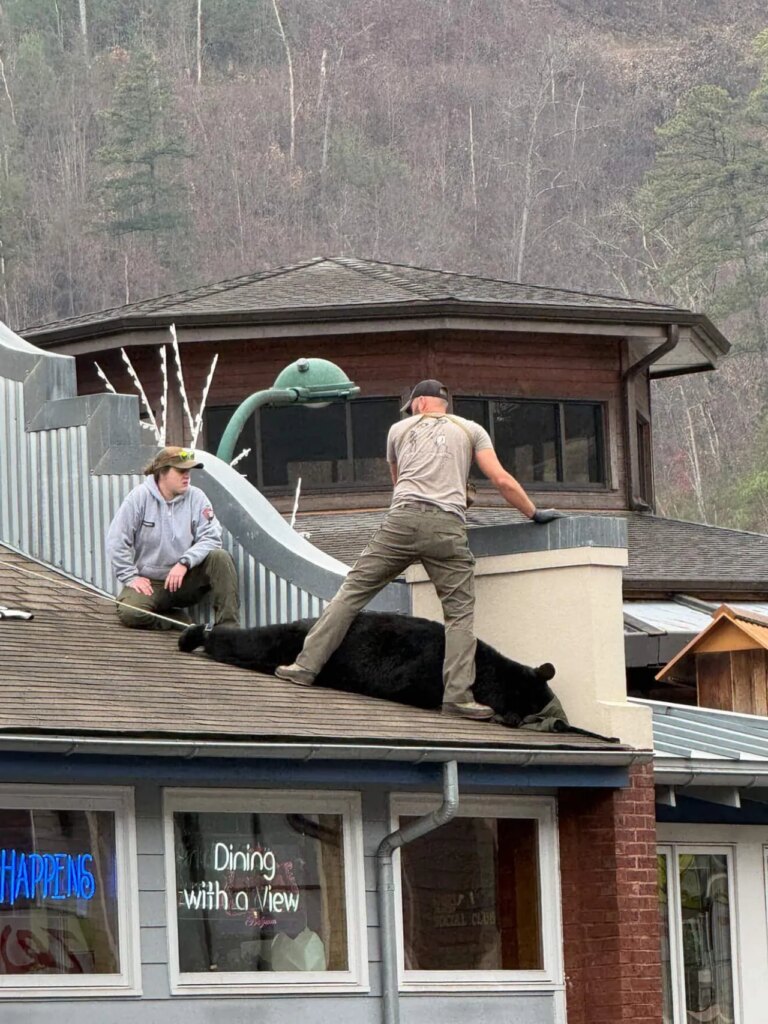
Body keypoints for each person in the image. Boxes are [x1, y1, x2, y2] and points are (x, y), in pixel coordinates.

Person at [275, 380, 561, 719]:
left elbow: (399, 483)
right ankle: (457, 698)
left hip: (401, 521)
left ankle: (305, 667)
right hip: (446, 527)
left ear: (422, 403)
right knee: (458, 615)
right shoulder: (472, 431)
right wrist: (534, 512)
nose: (410, 410)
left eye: (411, 405)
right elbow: (501, 480)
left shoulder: (397, 430)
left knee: (351, 593)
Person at [106, 446, 240, 630]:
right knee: (130, 612)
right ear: (162, 472)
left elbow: (212, 537)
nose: (187, 476)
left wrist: (184, 563)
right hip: (151, 583)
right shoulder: (138, 498)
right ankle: (179, 622)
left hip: (185, 581)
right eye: (181, 471)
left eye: (189, 471)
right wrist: (130, 577)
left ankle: (228, 629)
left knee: (220, 557)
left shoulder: (197, 497)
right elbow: (116, 540)